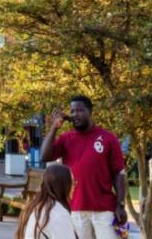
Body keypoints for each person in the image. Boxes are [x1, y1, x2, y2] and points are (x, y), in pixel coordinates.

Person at [41, 96, 126, 239]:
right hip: (76, 209)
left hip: (105, 210)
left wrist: (121, 205)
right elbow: (45, 156)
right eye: (72, 111)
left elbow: (119, 173)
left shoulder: (108, 138)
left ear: (90, 111)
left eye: (80, 110)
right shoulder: (65, 138)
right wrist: (54, 128)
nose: (75, 115)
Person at [15, 163, 77, 239]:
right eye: (72, 182)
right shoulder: (59, 213)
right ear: (63, 185)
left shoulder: (39, 206)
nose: (74, 187)